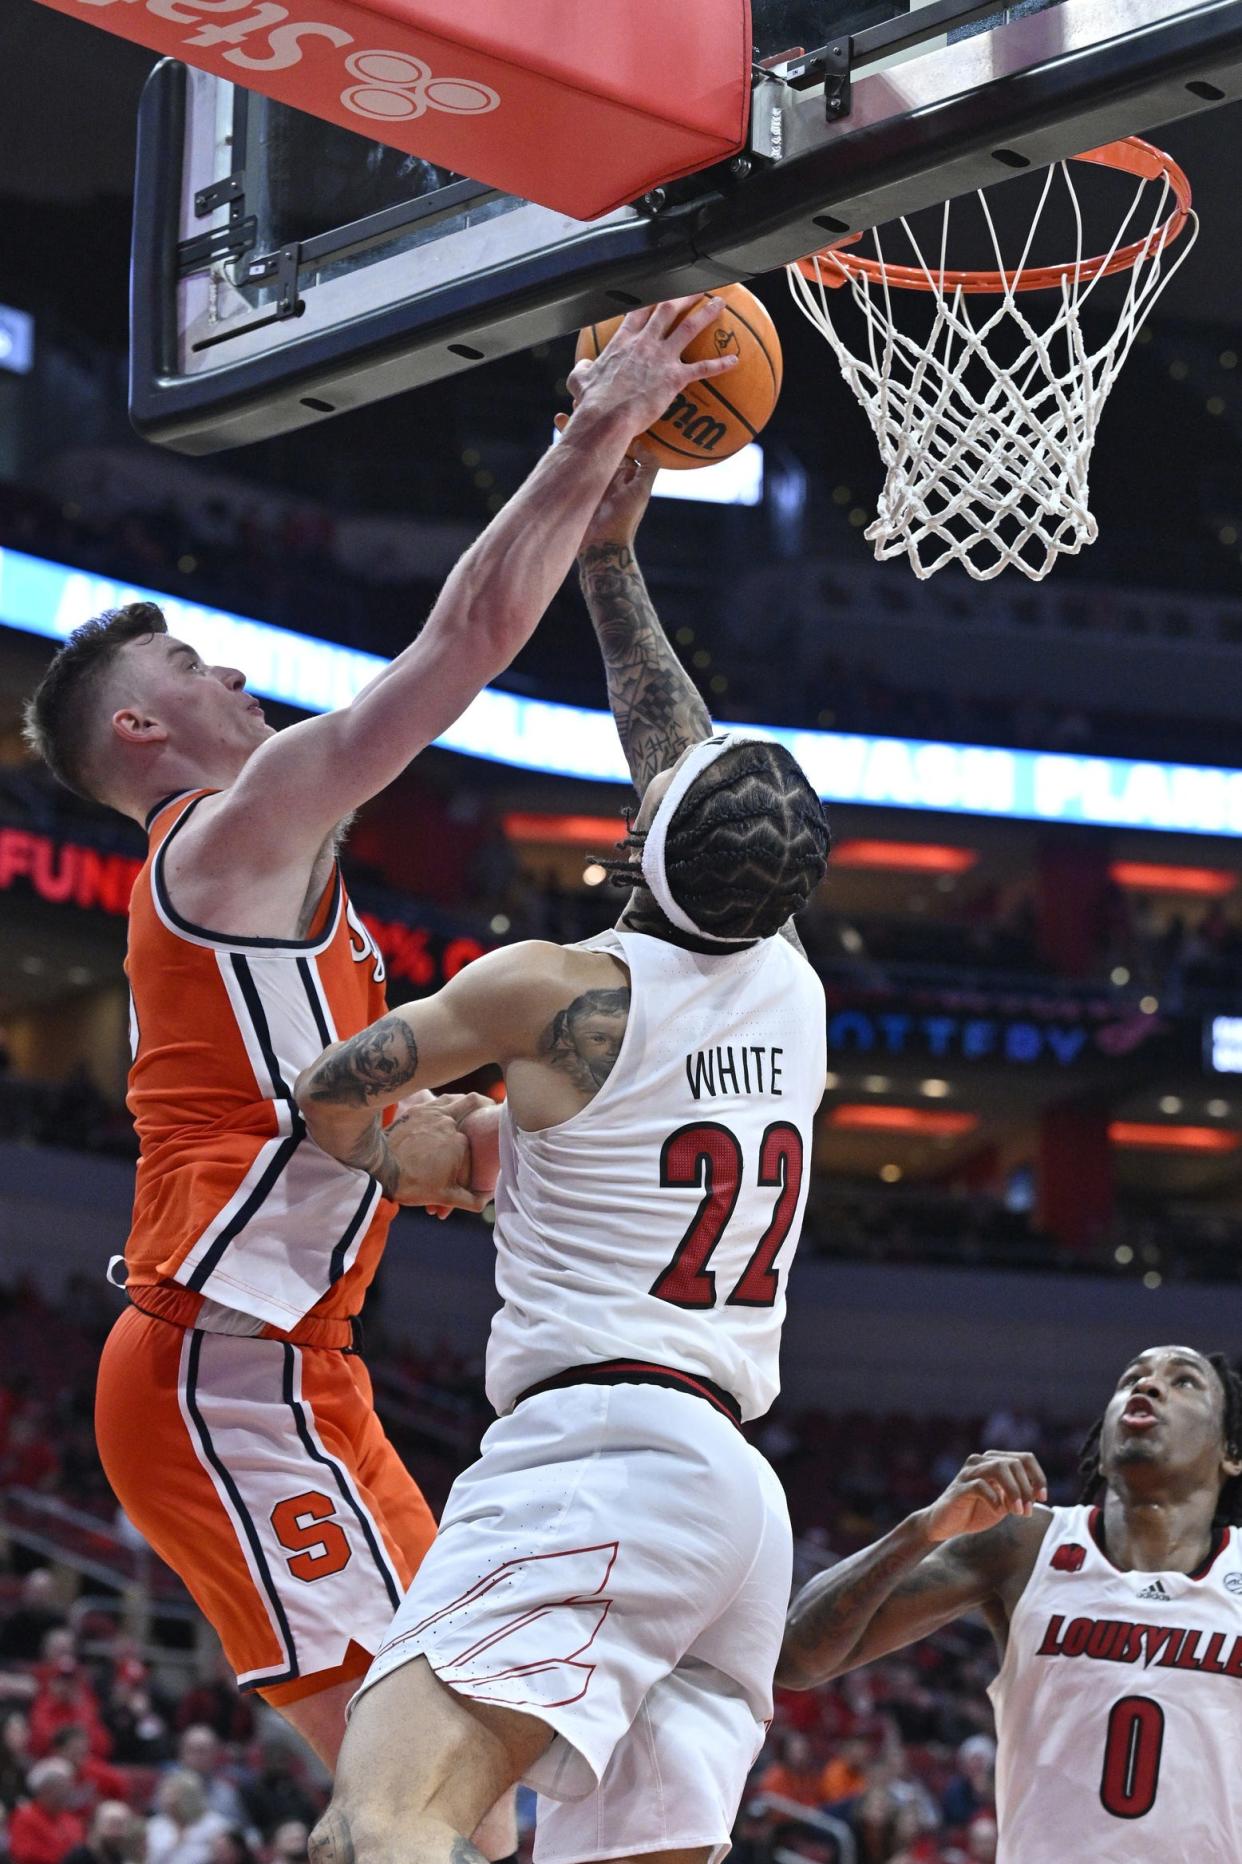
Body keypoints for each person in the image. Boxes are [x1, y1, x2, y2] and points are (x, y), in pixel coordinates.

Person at [20, 296, 736, 1789]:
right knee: (426, 1797)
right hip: (229, 1368)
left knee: (467, 1782)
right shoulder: (217, 841)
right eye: (199, 672)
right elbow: (463, 641)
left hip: (295, 1368)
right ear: (144, 737)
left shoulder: (305, 913)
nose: (234, 678)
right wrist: (596, 418)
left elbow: (381, 1145)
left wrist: (520, 1149)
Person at [293, 436, 832, 1864]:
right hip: (732, 1502)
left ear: (639, 846)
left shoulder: (562, 988)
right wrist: (606, 556)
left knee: (380, 1824)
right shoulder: (786, 978)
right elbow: (678, 756)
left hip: (597, 1458)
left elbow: (327, 1089)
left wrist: (398, 1154)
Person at [778, 1343, 1242, 1860]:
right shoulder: (1024, 1545)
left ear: (1230, 1452)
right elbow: (794, 1656)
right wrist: (923, 1529)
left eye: (1184, 1382)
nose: (1148, 1386)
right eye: (1132, 1377)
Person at [7, 1759, 86, 1864]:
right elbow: (24, 1853)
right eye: (59, 1787)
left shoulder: (72, 1820)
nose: (65, 1792)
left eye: (67, 1787)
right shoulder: (24, 1817)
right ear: (43, 1790)